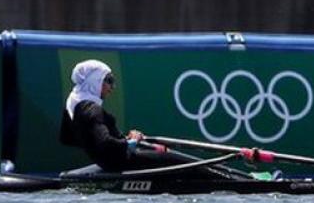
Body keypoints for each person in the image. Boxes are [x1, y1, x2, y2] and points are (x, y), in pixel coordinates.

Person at [60, 59, 233, 178]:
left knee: (173, 157)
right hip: (124, 162)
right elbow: (105, 144)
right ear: (95, 81)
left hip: (112, 163)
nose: (113, 87)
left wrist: (122, 140)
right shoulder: (92, 109)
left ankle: (229, 173)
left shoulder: (74, 104)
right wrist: (131, 142)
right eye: (109, 80)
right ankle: (235, 179)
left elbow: (68, 138)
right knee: (181, 162)